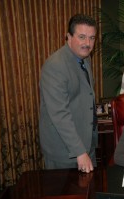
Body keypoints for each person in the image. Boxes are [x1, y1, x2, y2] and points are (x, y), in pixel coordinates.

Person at [39, 14, 98, 173]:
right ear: (68, 37)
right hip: (65, 152)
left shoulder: (85, 59)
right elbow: (59, 114)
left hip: (86, 145)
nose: (87, 43)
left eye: (92, 38)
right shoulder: (55, 66)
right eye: (82, 37)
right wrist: (79, 151)